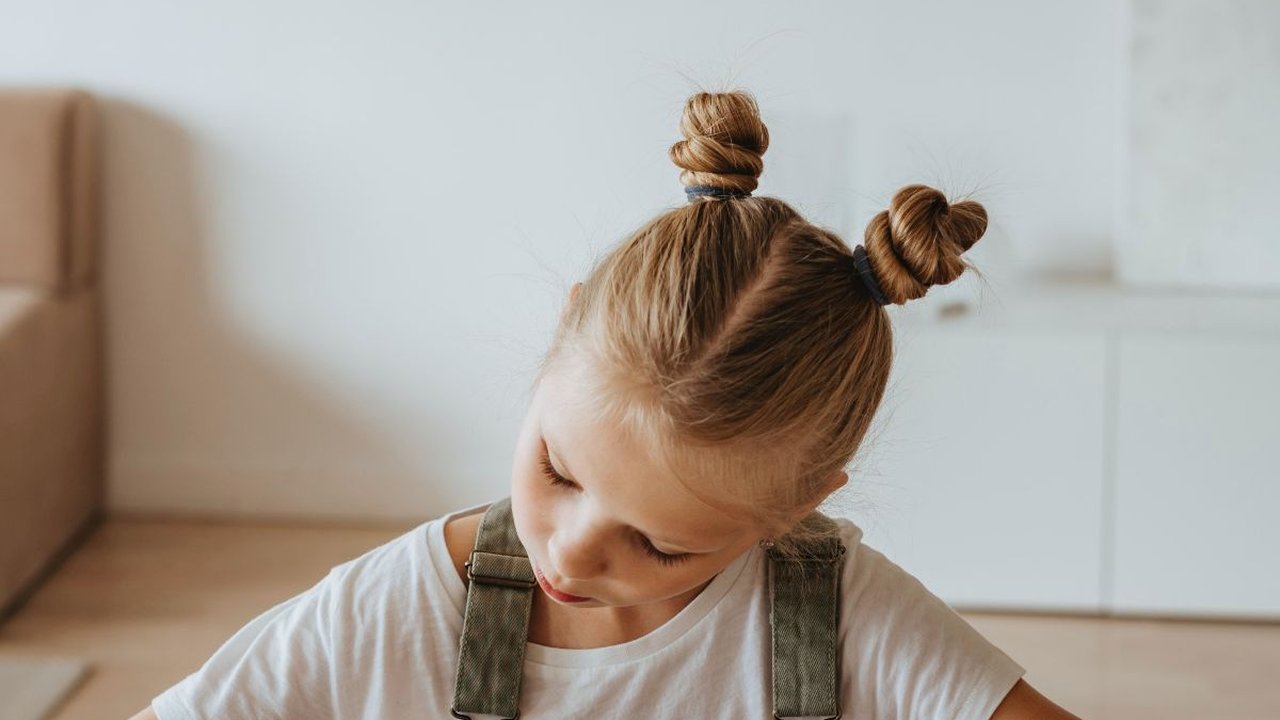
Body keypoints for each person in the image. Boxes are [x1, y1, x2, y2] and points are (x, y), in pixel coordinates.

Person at [129, 89, 1081, 720]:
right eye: (560, 470)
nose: (575, 548)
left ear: (797, 508)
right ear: (561, 335)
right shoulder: (393, 616)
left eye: (662, 543)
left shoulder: (842, 620)